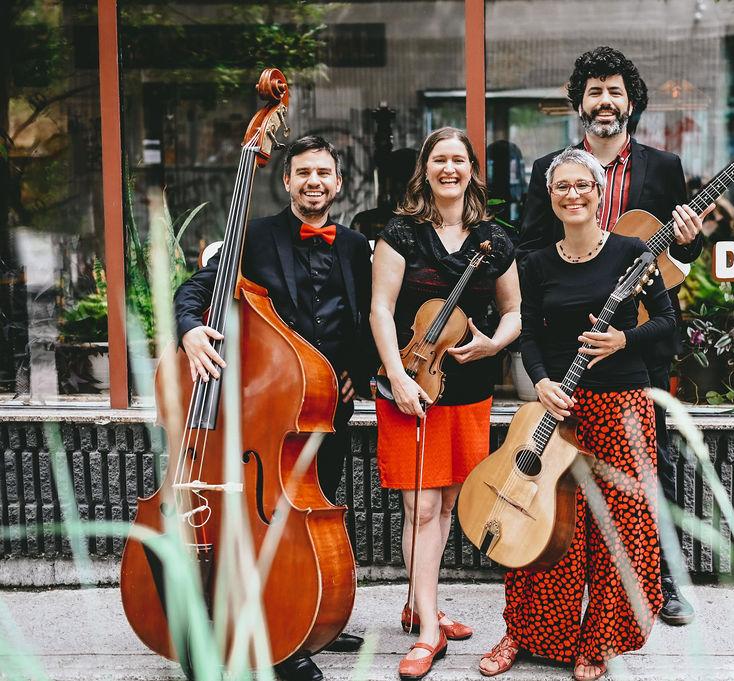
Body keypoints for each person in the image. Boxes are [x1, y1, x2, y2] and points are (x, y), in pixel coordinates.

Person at [517, 46, 706, 626]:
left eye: (615, 91)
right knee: (568, 467)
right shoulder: (550, 169)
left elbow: (676, 258)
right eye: (594, 91)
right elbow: (527, 246)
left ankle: (664, 582)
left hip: (637, 340)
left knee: (655, 465)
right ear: (579, 103)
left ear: (631, 103)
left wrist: (691, 238)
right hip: (569, 345)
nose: (605, 101)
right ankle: (561, 585)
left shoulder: (663, 167)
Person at [173, 135, 371, 681]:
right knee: (272, 524)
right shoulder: (254, 237)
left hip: (326, 408)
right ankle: (275, 636)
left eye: (323, 173)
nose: (313, 182)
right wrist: (190, 331)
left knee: (316, 517)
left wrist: (361, 370)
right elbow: (196, 290)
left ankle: (313, 617)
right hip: (270, 410)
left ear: (337, 182)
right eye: (302, 173)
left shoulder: (355, 245)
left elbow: (364, 320)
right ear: (286, 182)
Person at [479, 148, 673, 681]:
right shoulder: (536, 261)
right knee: (543, 524)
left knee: (620, 527)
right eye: (561, 186)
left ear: (598, 191)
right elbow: (532, 335)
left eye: (581, 185)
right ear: (551, 196)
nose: (573, 194)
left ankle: (598, 641)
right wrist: (540, 383)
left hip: (621, 404)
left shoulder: (634, 253)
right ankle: (525, 630)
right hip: (559, 406)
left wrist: (622, 339)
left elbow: (667, 322)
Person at [370, 127, 521, 680]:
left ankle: (419, 601)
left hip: (467, 390)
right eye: (440, 159)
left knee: (449, 504)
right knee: (423, 508)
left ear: (471, 170)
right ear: (426, 169)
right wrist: (397, 376)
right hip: (409, 385)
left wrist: (494, 343)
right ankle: (429, 632)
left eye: (459, 159)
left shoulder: (495, 240)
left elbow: (514, 313)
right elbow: (381, 313)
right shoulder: (401, 234)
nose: (449, 168)